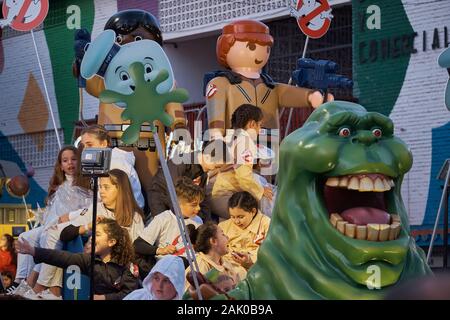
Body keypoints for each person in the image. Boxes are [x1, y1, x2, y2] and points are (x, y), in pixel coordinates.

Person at [27, 168, 145, 299]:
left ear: (120, 189)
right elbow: (65, 233)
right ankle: (45, 287)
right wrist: (87, 226)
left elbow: (138, 251)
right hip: (98, 267)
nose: (102, 191)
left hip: (121, 270)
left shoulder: (135, 217)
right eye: (100, 187)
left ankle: (48, 288)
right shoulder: (96, 208)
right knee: (51, 238)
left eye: (106, 187)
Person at [205, 19, 331, 140]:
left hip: (270, 142)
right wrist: (216, 134)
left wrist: (310, 96)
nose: (260, 53)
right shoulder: (221, 83)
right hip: (236, 143)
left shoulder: (270, 86)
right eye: (252, 47)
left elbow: (288, 93)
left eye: (266, 49)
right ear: (226, 47)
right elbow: (216, 112)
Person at [13, 146, 92, 294]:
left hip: (69, 225)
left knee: (47, 237)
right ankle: (20, 281)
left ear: (80, 161)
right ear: (60, 165)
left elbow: (85, 209)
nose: (70, 163)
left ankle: (40, 284)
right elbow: (52, 214)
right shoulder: (59, 186)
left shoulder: (86, 184)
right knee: (24, 237)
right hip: (51, 224)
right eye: (65, 160)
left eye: (74, 159)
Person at [15, 219, 140, 300]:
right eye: (92, 234)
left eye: (97, 235)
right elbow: (62, 257)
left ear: (111, 242)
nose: (91, 238)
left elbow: (130, 294)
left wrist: (103, 298)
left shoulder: (128, 264)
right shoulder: (89, 260)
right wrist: (33, 251)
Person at [133, 177, 204, 279]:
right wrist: (160, 250)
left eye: (199, 204)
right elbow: (138, 244)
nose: (198, 208)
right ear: (178, 204)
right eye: (194, 205)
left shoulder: (198, 220)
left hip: (194, 266)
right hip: (168, 268)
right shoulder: (163, 219)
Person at [211, 104, 273, 219]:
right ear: (251, 124)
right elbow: (243, 176)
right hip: (226, 196)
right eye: (259, 125)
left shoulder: (231, 137)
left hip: (218, 195)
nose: (260, 130)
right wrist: (260, 190)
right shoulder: (245, 141)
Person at [148, 139, 229, 221]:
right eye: (216, 166)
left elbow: (202, 200)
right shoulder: (181, 163)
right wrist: (184, 218)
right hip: (161, 198)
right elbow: (172, 192)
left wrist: (207, 223)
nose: (216, 170)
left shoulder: (202, 172)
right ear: (207, 157)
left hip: (181, 205)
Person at [79, 125, 145, 210]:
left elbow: (112, 201)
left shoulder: (116, 164)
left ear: (104, 144)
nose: (85, 149)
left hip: (126, 215)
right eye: (83, 146)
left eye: (89, 145)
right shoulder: (101, 163)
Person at [185, 221, 246, 292]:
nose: (227, 237)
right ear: (213, 241)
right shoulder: (199, 269)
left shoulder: (224, 262)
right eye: (223, 234)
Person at [218, 191, 270, 271]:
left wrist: (249, 261)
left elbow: (269, 252)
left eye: (240, 217)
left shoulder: (266, 224)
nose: (236, 221)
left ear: (253, 211)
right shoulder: (223, 227)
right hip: (226, 267)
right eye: (233, 217)